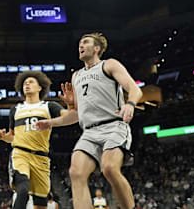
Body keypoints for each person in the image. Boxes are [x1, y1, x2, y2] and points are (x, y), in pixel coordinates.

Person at [37, 33, 142, 209]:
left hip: (113, 125)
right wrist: (52, 122)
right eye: (79, 43)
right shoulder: (76, 76)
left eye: (85, 42)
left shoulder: (108, 65)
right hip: (89, 132)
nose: (81, 45)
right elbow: (76, 115)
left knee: (109, 168)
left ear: (97, 48)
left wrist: (130, 104)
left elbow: (135, 89)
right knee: (76, 172)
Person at [0, 71, 77, 209]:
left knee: (40, 203)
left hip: (41, 158)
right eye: (25, 83)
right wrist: (2, 137)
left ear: (40, 88)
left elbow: (70, 117)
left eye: (31, 82)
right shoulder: (16, 109)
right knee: (22, 190)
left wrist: (71, 105)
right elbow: (13, 136)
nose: (27, 84)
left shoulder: (49, 107)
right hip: (21, 154)